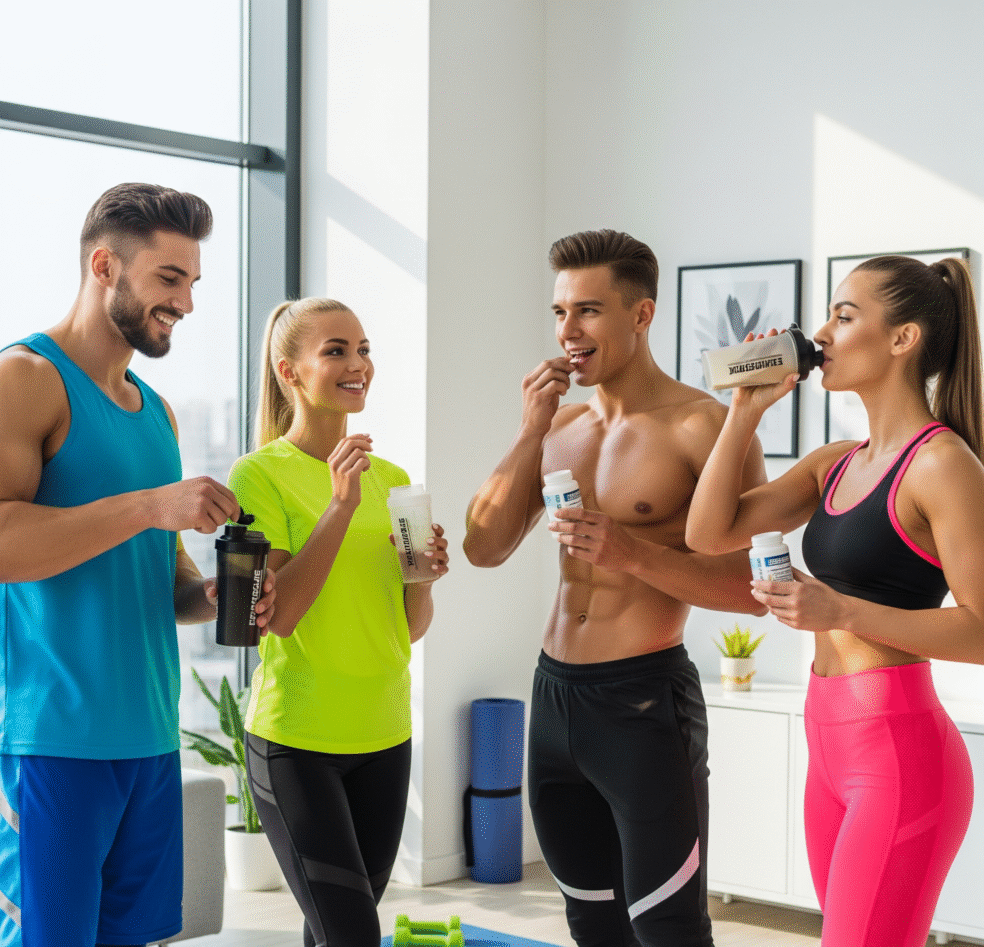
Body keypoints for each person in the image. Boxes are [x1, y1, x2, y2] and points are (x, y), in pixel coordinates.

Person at [0, 183, 276, 947]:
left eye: (194, 283)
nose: (187, 304)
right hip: (47, 740)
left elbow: (159, 583)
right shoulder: (18, 381)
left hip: (148, 737)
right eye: (170, 280)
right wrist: (148, 506)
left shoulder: (157, 412)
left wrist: (219, 593)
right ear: (106, 264)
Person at [463, 229, 768, 946]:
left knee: (667, 925)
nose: (569, 331)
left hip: (642, 703)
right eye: (561, 312)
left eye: (589, 311)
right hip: (555, 697)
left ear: (641, 314)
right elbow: (483, 545)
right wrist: (529, 428)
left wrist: (632, 553)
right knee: (590, 921)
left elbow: (755, 587)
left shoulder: (705, 427)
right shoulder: (560, 425)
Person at [685, 255, 983, 947]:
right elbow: (707, 532)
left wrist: (840, 611)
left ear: (902, 338)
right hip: (830, 745)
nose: (822, 333)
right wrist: (743, 413)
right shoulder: (835, 462)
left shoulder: (943, 464)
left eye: (844, 317)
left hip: (899, 754)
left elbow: (980, 630)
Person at [228, 297, 449, 947]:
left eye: (364, 349)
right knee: (352, 932)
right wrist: (340, 504)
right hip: (297, 741)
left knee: (333, 930)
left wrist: (425, 578)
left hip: (384, 734)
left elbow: (407, 627)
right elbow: (284, 614)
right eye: (336, 351)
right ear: (289, 371)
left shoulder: (395, 478)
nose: (359, 364)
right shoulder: (259, 475)